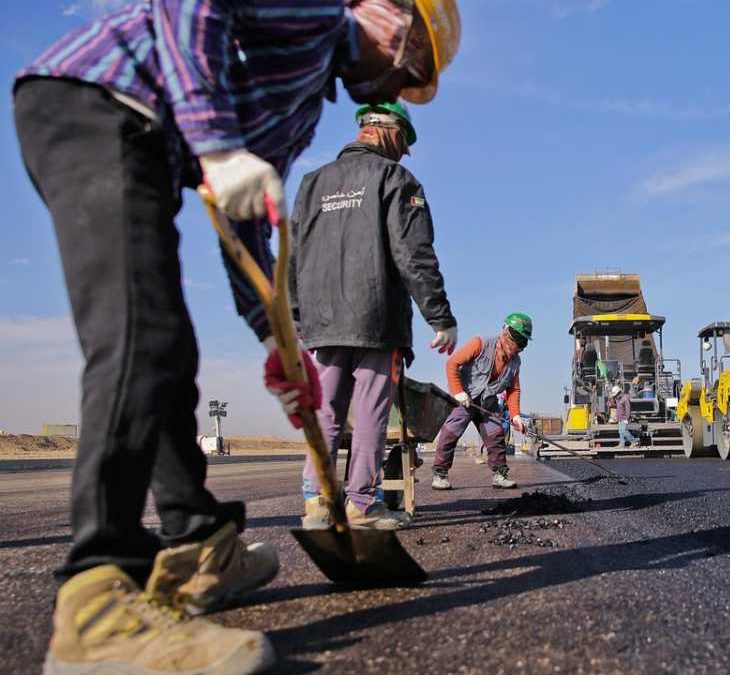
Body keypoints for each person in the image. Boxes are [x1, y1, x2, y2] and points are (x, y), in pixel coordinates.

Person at [12, 1, 460, 673]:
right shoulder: (312, 10)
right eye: (413, 61)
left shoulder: (306, 101)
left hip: (146, 141)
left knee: (169, 352)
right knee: (142, 340)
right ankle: (97, 610)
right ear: (382, 12)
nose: (400, 87)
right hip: (95, 105)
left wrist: (276, 338)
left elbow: (243, 217)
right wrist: (217, 145)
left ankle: (200, 544)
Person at [290, 101, 456, 531]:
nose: (403, 153)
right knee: (369, 412)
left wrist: (295, 314)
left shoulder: (311, 183)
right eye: (404, 143)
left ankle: (317, 502)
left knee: (325, 410)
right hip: (375, 317)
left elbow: (292, 254)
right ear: (389, 131)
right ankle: (361, 503)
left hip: (321, 321)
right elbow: (413, 253)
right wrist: (439, 316)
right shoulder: (394, 178)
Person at [432, 313, 533, 490]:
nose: (518, 347)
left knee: (496, 436)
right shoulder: (480, 344)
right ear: (505, 333)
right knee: (450, 433)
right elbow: (452, 363)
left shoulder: (515, 362)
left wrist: (516, 415)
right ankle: (440, 474)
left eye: (523, 343)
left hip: (487, 403)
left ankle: (499, 475)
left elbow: (513, 389)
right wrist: (458, 392)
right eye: (517, 340)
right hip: (465, 398)